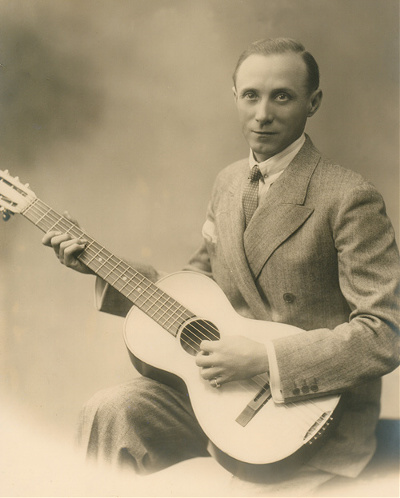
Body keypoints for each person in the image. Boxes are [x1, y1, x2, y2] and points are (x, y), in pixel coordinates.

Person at [42, 38, 400, 495]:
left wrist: (265, 359)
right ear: (235, 96)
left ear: (313, 103)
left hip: (313, 418)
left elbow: (385, 332)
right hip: (223, 395)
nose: (262, 114)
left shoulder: (349, 197)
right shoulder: (228, 182)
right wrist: (98, 265)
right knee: (108, 413)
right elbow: (196, 288)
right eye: (251, 95)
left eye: (282, 96)